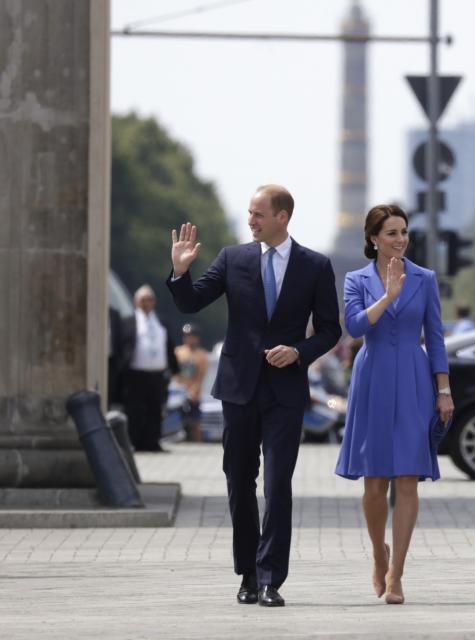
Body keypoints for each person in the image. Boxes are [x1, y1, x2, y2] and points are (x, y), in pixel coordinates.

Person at [167, 184, 341, 607]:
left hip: (285, 391)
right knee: (239, 481)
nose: (251, 221)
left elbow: (331, 329)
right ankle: (247, 571)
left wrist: (299, 351)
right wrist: (179, 272)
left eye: (258, 214)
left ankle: (270, 580)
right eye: (249, 213)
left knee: (279, 484)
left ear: (282, 216)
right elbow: (191, 303)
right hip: (239, 388)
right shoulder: (233, 258)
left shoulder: (315, 265)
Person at [335, 204, 453, 605]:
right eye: (391, 233)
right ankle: (377, 553)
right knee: (375, 481)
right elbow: (353, 327)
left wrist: (443, 389)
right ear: (373, 239)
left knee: (407, 478)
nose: (400, 239)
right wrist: (387, 296)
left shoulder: (425, 278)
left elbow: (435, 337)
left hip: (415, 380)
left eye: (404, 232)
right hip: (373, 379)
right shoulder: (356, 279)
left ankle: (397, 573)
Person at [125, 285, 180, 452]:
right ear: (136, 302)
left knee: (156, 410)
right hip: (136, 374)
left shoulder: (161, 322)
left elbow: (169, 346)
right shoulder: (129, 321)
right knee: (136, 410)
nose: (147, 303)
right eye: (143, 299)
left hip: (158, 374)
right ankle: (134, 442)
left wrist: (174, 369)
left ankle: (153, 442)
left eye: (150, 299)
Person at [173, 323, 210, 441]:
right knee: (177, 422)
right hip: (178, 393)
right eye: (187, 336)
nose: (190, 339)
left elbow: (201, 377)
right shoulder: (177, 352)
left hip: (194, 395)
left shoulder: (202, 355)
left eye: (192, 336)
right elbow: (175, 373)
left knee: (195, 422)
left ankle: (196, 444)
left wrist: (192, 392)